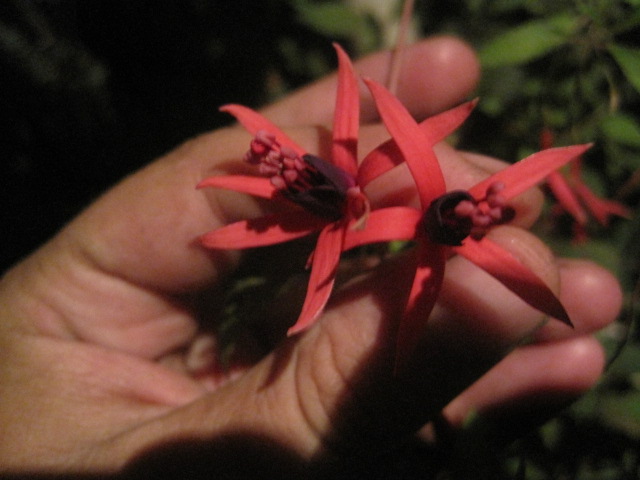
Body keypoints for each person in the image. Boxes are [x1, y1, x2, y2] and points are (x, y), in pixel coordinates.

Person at [0, 37, 622, 478]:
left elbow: (397, 152)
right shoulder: (358, 212)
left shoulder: (381, 200)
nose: (471, 213)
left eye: (470, 217)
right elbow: (361, 197)